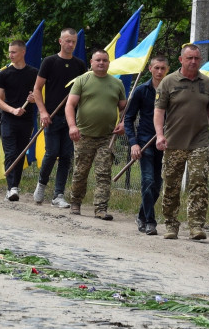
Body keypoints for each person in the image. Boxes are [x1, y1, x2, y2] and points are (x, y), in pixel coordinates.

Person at [153, 44, 209, 241]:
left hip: (199, 142)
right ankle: (171, 225)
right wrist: (159, 135)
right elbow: (159, 111)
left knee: (199, 182)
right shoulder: (168, 82)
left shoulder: (207, 83)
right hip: (173, 142)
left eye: (197, 59)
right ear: (181, 60)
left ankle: (196, 226)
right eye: (189, 58)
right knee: (171, 185)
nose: (193, 62)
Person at [64, 49, 127, 219]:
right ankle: (75, 202)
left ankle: (100, 208)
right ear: (91, 62)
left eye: (105, 60)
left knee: (104, 174)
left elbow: (124, 109)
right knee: (80, 172)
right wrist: (72, 126)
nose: (101, 63)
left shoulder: (117, 83)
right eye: (98, 60)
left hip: (107, 137)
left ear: (108, 63)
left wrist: (123, 124)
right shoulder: (82, 81)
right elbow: (70, 105)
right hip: (83, 135)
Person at [32, 28, 87, 208]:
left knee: (66, 155)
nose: (70, 44)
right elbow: (37, 89)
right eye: (67, 41)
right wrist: (43, 112)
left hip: (71, 118)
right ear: (60, 41)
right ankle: (41, 184)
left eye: (73, 42)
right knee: (52, 152)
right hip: (52, 116)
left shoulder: (80, 65)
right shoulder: (49, 62)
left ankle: (58, 194)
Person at [124, 55, 170, 235]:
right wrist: (133, 143)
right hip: (145, 142)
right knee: (148, 180)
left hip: (166, 143)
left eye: (163, 68)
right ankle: (151, 221)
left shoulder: (172, 91)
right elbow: (128, 119)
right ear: (150, 69)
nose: (159, 71)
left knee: (157, 185)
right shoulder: (142, 91)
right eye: (156, 68)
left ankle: (141, 215)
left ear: (167, 70)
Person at [0, 39, 38, 201]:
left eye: (13, 52)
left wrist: (34, 98)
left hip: (26, 120)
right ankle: (11, 188)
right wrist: (12, 110)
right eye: (9, 52)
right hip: (8, 119)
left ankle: (15, 186)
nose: (10, 55)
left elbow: (40, 95)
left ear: (23, 52)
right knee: (11, 152)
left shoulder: (34, 73)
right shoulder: (4, 73)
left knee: (20, 154)